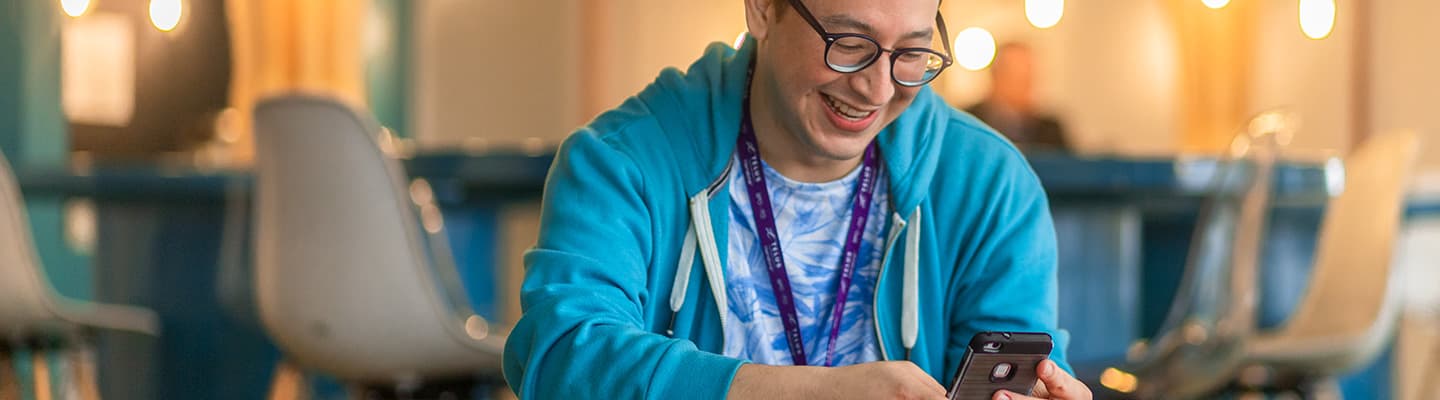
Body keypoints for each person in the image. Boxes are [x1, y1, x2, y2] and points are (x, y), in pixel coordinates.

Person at [503, 0, 1092, 399]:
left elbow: (1015, 362)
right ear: (762, 8)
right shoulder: (623, 160)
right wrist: (813, 394)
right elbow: (560, 360)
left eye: (911, 53)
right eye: (849, 41)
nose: (877, 89)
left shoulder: (988, 183)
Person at [964, 42, 1071, 152]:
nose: (1025, 84)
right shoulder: (969, 121)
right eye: (1015, 75)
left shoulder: (1050, 129)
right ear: (996, 76)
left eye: (1027, 75)